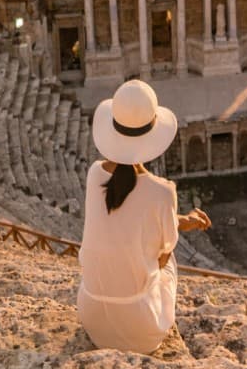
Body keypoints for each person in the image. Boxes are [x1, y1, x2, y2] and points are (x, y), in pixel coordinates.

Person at [77, 79, 211, 353]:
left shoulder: (93, 175)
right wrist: (176, 223)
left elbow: (128, 217)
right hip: (141, 330)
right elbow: (161, 258)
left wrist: (181, 220)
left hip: (92, 318)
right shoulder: (162, 192)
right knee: (168, 253)